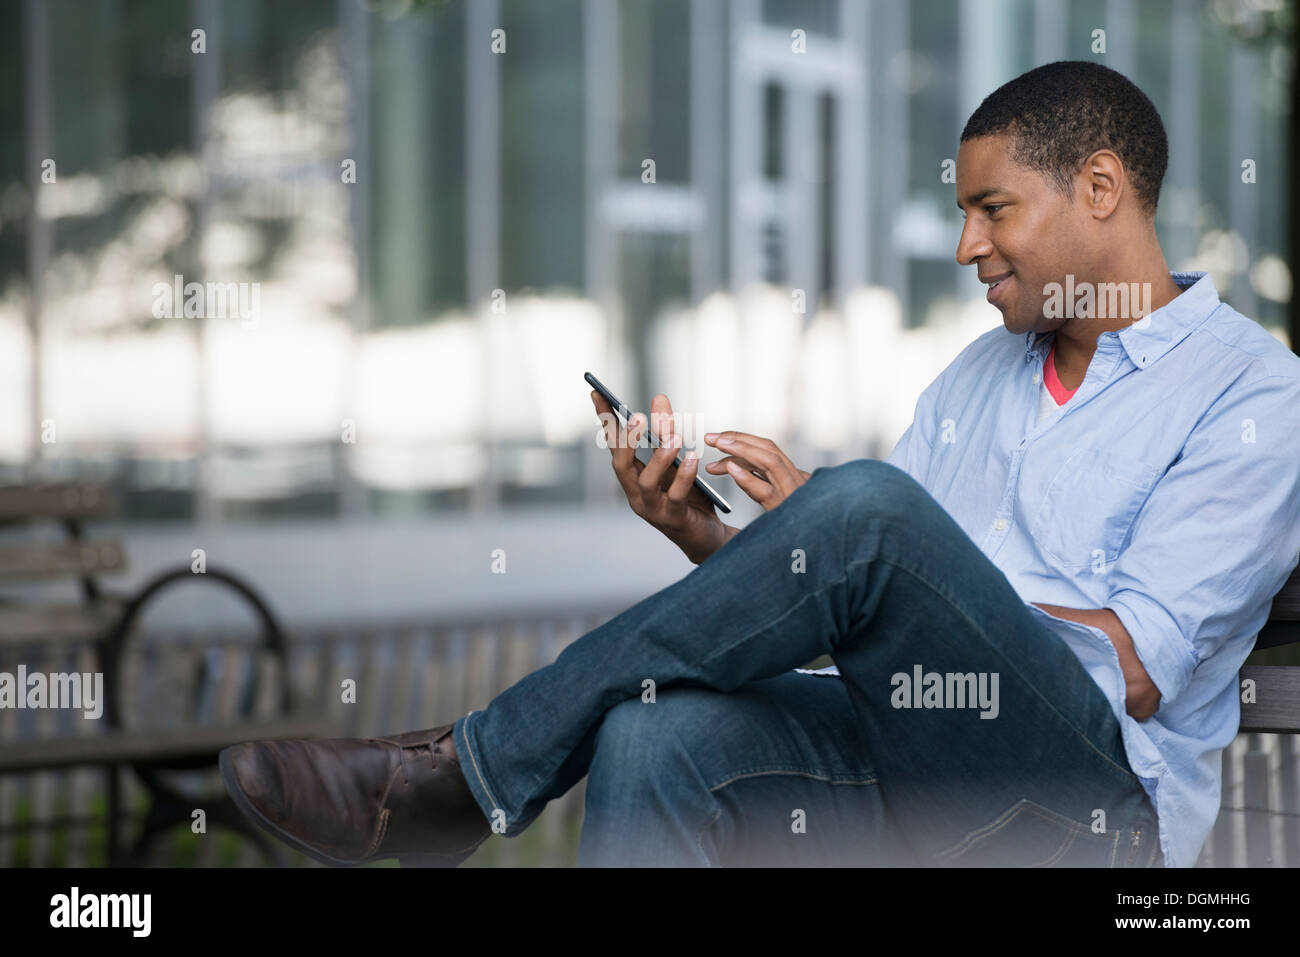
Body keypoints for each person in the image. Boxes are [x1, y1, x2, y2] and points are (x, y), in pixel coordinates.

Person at [220, 61, 1300, 868]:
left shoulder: (1253, 395)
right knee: (654, 736)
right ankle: (468, 779)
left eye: (992, 209)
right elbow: (865, 632)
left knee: (866, 513)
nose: (968, 246)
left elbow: (1141, 665)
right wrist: (729, 544)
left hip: (1082, 822)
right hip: (905, 769)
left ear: (1100, 187)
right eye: (964, 213)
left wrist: (874, 557)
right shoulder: (976, 378)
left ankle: (466, 773)